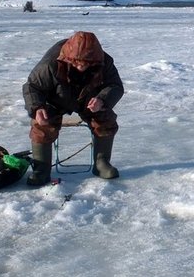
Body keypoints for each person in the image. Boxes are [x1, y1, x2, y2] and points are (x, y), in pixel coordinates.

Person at [22, 31, 124, 185]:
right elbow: (32, 86)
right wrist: (37, 107)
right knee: (41, 124)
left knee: (106, 119)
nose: (81, 67)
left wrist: (102, 100)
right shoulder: (50, 63)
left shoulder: (105, 62)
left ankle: (101, 163)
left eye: (87, 63)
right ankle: (41, 169)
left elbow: (116, 86)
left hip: (89, 100)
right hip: (56, 99)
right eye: (76, 62)